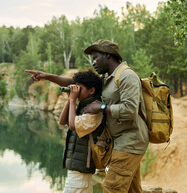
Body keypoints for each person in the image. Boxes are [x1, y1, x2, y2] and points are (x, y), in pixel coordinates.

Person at [25, 39, 149, 193]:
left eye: (96, 57)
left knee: (112, 188)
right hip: (120, 141)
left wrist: (101, 107)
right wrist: (48, 76)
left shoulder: (126, 76)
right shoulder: (108, 78)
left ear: (108, 55)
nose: (94, 62)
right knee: (132, 190)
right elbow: (75, 82)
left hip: (130, 140)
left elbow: (130, 110)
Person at [59, 69, 104, 193]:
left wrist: (73, 100)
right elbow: (63, 121)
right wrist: (70, 100)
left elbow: (73, 125)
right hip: (77, 168)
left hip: (81, 169)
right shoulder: (83, 106)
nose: (76, 92)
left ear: (91, 90)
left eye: (79, 88)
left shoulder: (94, 109)